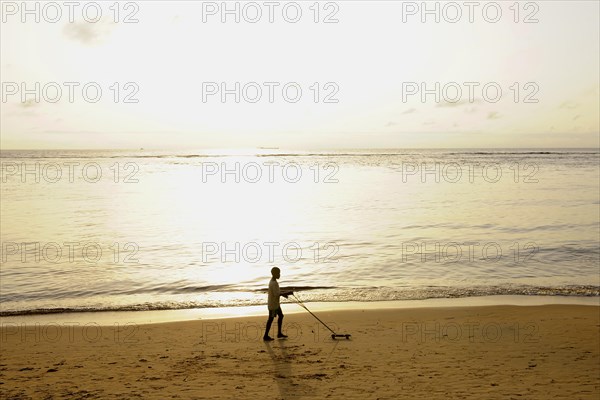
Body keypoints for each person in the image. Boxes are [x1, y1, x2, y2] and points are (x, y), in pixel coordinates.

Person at [263, 267, 292, 341]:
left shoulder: (274, 281)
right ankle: (265, 336)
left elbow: (277, 292)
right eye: (278, 273)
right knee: (270, 319)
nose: (279, 274)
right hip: (273, 305)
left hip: (275, 304)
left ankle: (279, 333)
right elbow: (277, 294)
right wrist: (287, 293)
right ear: (274, 274)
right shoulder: (273, 283)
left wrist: (284, 294)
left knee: (281, 316)